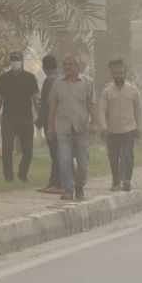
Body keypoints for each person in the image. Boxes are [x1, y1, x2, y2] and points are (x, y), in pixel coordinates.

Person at [46, 55, 97, 200]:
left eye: (70, 64)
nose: (67, 67)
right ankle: (68, 189)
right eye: (65, 64)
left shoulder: (87, 82)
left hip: (81, 128)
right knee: (64, 159)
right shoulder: (57, 84)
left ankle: (79, 186)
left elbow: (91, 104)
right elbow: (52, 107)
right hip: (63, 128)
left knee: (82, 162)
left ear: (77, 66)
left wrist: (94, 122)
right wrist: (50, 127)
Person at [0, 51, 40, 183]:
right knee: (7, 149)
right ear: (10, 61)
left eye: (17, 59)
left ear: (22, 61)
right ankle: (8, 176)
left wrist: (41, 117)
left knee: (28, 150)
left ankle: (22, 173)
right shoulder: (4, 78)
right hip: (8, 119)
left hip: (26, 118)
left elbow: (36, 98)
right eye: (13, 59)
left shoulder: (30, 78)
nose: (15, 61)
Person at [99, 60, 142, 192]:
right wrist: (103, 125)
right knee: (113, 156)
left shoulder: (133, 90)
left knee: (127, 154)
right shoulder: (107, 91)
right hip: (112, 130)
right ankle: (116, 181)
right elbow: (101, 108)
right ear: (112, 73)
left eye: (121, 73)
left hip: (129, 128)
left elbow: (139, 109)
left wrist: (140, 128)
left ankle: (127, 180)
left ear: (125, 73)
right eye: (116, 73)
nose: (119, 75)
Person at [35, 54, 62, 194]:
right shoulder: (61, 78)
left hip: (51, 122)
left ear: (44, 67)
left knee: (55, 152)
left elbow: (46, 104)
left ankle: (57, 182)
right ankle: (55, 181)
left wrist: (40, 121)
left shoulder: (49, 81)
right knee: (59, 151)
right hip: (62, 121)